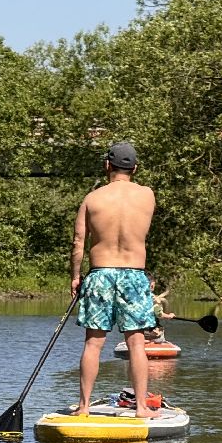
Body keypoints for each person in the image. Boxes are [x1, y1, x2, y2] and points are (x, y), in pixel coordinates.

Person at [70, 141, 160, 419]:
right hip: (134, 274)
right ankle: (141, 408)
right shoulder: (147, 195)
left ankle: (84, 407)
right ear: (135, 168)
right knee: (136, 343)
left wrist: (75, 276)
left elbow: (78, 242)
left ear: (107, 165)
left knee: (93, 344)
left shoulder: (92, 199)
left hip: (100, 274)